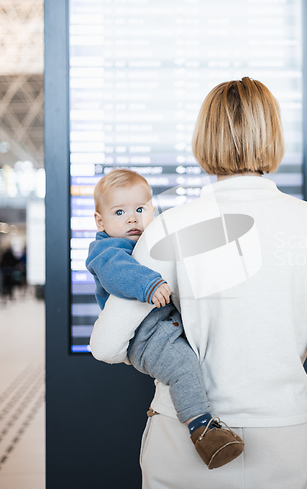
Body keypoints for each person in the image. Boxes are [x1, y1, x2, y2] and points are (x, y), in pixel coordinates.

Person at [90, 77, 307, 488]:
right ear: (273, 134)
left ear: (204, 138)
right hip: (283, 444)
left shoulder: (169, 227)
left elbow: (106, 344)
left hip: (183, 443)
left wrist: (162, 352)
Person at [86, 168, 244, 469]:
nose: (132, 218)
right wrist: (150, 285)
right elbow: (119, 272)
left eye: (140, 209)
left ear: (152, 211)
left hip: (164, 325)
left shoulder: (152, 240)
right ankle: (202, 430)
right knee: (182, 366)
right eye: (119, 212)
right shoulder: (107, 250)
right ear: (100, 221)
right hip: (146, 336)